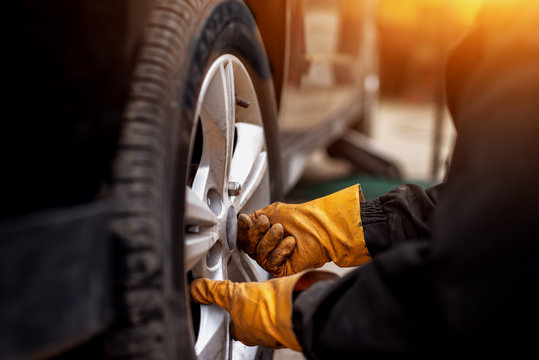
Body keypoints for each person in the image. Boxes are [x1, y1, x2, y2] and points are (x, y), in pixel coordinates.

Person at [190, 1, 539, 358]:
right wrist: (340, 228)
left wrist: (302, 310)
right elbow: (497, 219)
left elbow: (467, 298)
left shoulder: (525, 53)